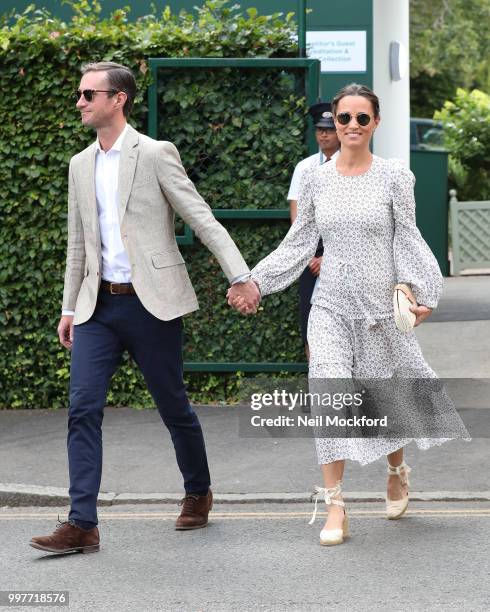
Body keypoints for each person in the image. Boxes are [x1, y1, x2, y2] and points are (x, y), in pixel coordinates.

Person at [30, 61, 260, 555]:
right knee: (82, 408)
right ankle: (82, 524)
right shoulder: (79, 164)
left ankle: (198, 491)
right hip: (97, 309)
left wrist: (241, 275)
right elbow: (78, 245)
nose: (80, 101)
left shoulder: (155, 154)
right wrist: (69, 308)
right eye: (79, 93)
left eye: (90, 93)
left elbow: (200, 216)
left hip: (151, 305)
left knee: (172, 405)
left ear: (119, 99)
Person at [228, 83, 469, 546]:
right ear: (333, 125)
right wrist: (255, 280)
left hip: (381, 306)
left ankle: (397, 468)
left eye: (362, 118)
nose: (352, 126)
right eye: (344, 119)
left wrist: (424, 293)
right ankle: (336, 503)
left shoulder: (395, 175)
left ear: (376, 123)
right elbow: (299, 244)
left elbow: (408, 237)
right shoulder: (316, 179)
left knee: (387, 398)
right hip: (331, 306)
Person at [288, 103, 340, 359]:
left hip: (346, 253)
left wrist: (330, 257)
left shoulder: (352, 165)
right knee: (310, 322)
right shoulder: (305, 167)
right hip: (311, 254)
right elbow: (297, 215)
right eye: (320, 129)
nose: (324, 135)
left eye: (329, 130)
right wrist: (308, 254)